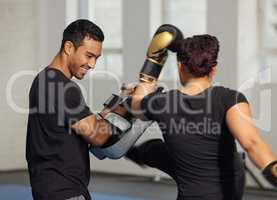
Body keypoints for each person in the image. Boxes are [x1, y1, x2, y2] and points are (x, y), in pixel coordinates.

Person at [126, 34, 277, 200]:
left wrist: (153, 62)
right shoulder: (230, 99)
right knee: (155, 149)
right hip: (229, 193)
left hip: (191, 195)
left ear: (179, 66)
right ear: (214, 69)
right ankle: (137, 153)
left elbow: (136, 106)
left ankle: (134, 153)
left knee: (154, 149)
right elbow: (252, 143)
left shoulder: (161, 103)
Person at [26, 19, 113, 200]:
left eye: (96, 58)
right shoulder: (65, 88)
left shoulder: (43, 79)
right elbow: (97, 136)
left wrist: (110, 110)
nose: (92, 64)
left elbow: (71, 125)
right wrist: (126, 110)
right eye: (89, 56)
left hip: (46, 188)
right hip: (65, 191)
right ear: (68, 47)